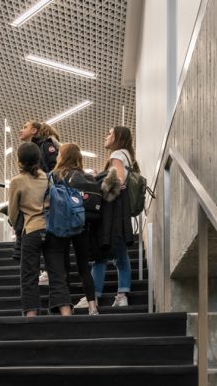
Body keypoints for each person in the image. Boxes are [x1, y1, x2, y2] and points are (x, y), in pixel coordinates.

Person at [8, 142, 72, 317]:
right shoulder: (47, 177)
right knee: (57, 273)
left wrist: (17, 225)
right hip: (53, 230)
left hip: (31, 231)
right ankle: (66, 314)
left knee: (29, 276)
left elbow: (13, 215)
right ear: (38, 159)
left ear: (19, 161)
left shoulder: (17, 181)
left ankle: (31, 317)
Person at [77, 125, 136, 309]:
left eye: (109, 133)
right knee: (119, 254)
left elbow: (116, 182)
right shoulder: (127, 156)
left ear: (117, 136)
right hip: (120, 212)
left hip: (112, 213)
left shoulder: (117, 155)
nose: (106, 135)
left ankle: (95, 295)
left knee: (102, 254)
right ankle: (121, 294)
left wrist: (98, 183)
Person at [51, 143, 99, 315]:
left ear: (62, 156)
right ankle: (93, 307)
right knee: (83, 266)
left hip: (62, 226)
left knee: (63, 267)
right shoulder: (87, 177)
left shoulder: (55, 176)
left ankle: (66, 308)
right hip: (82, 224)